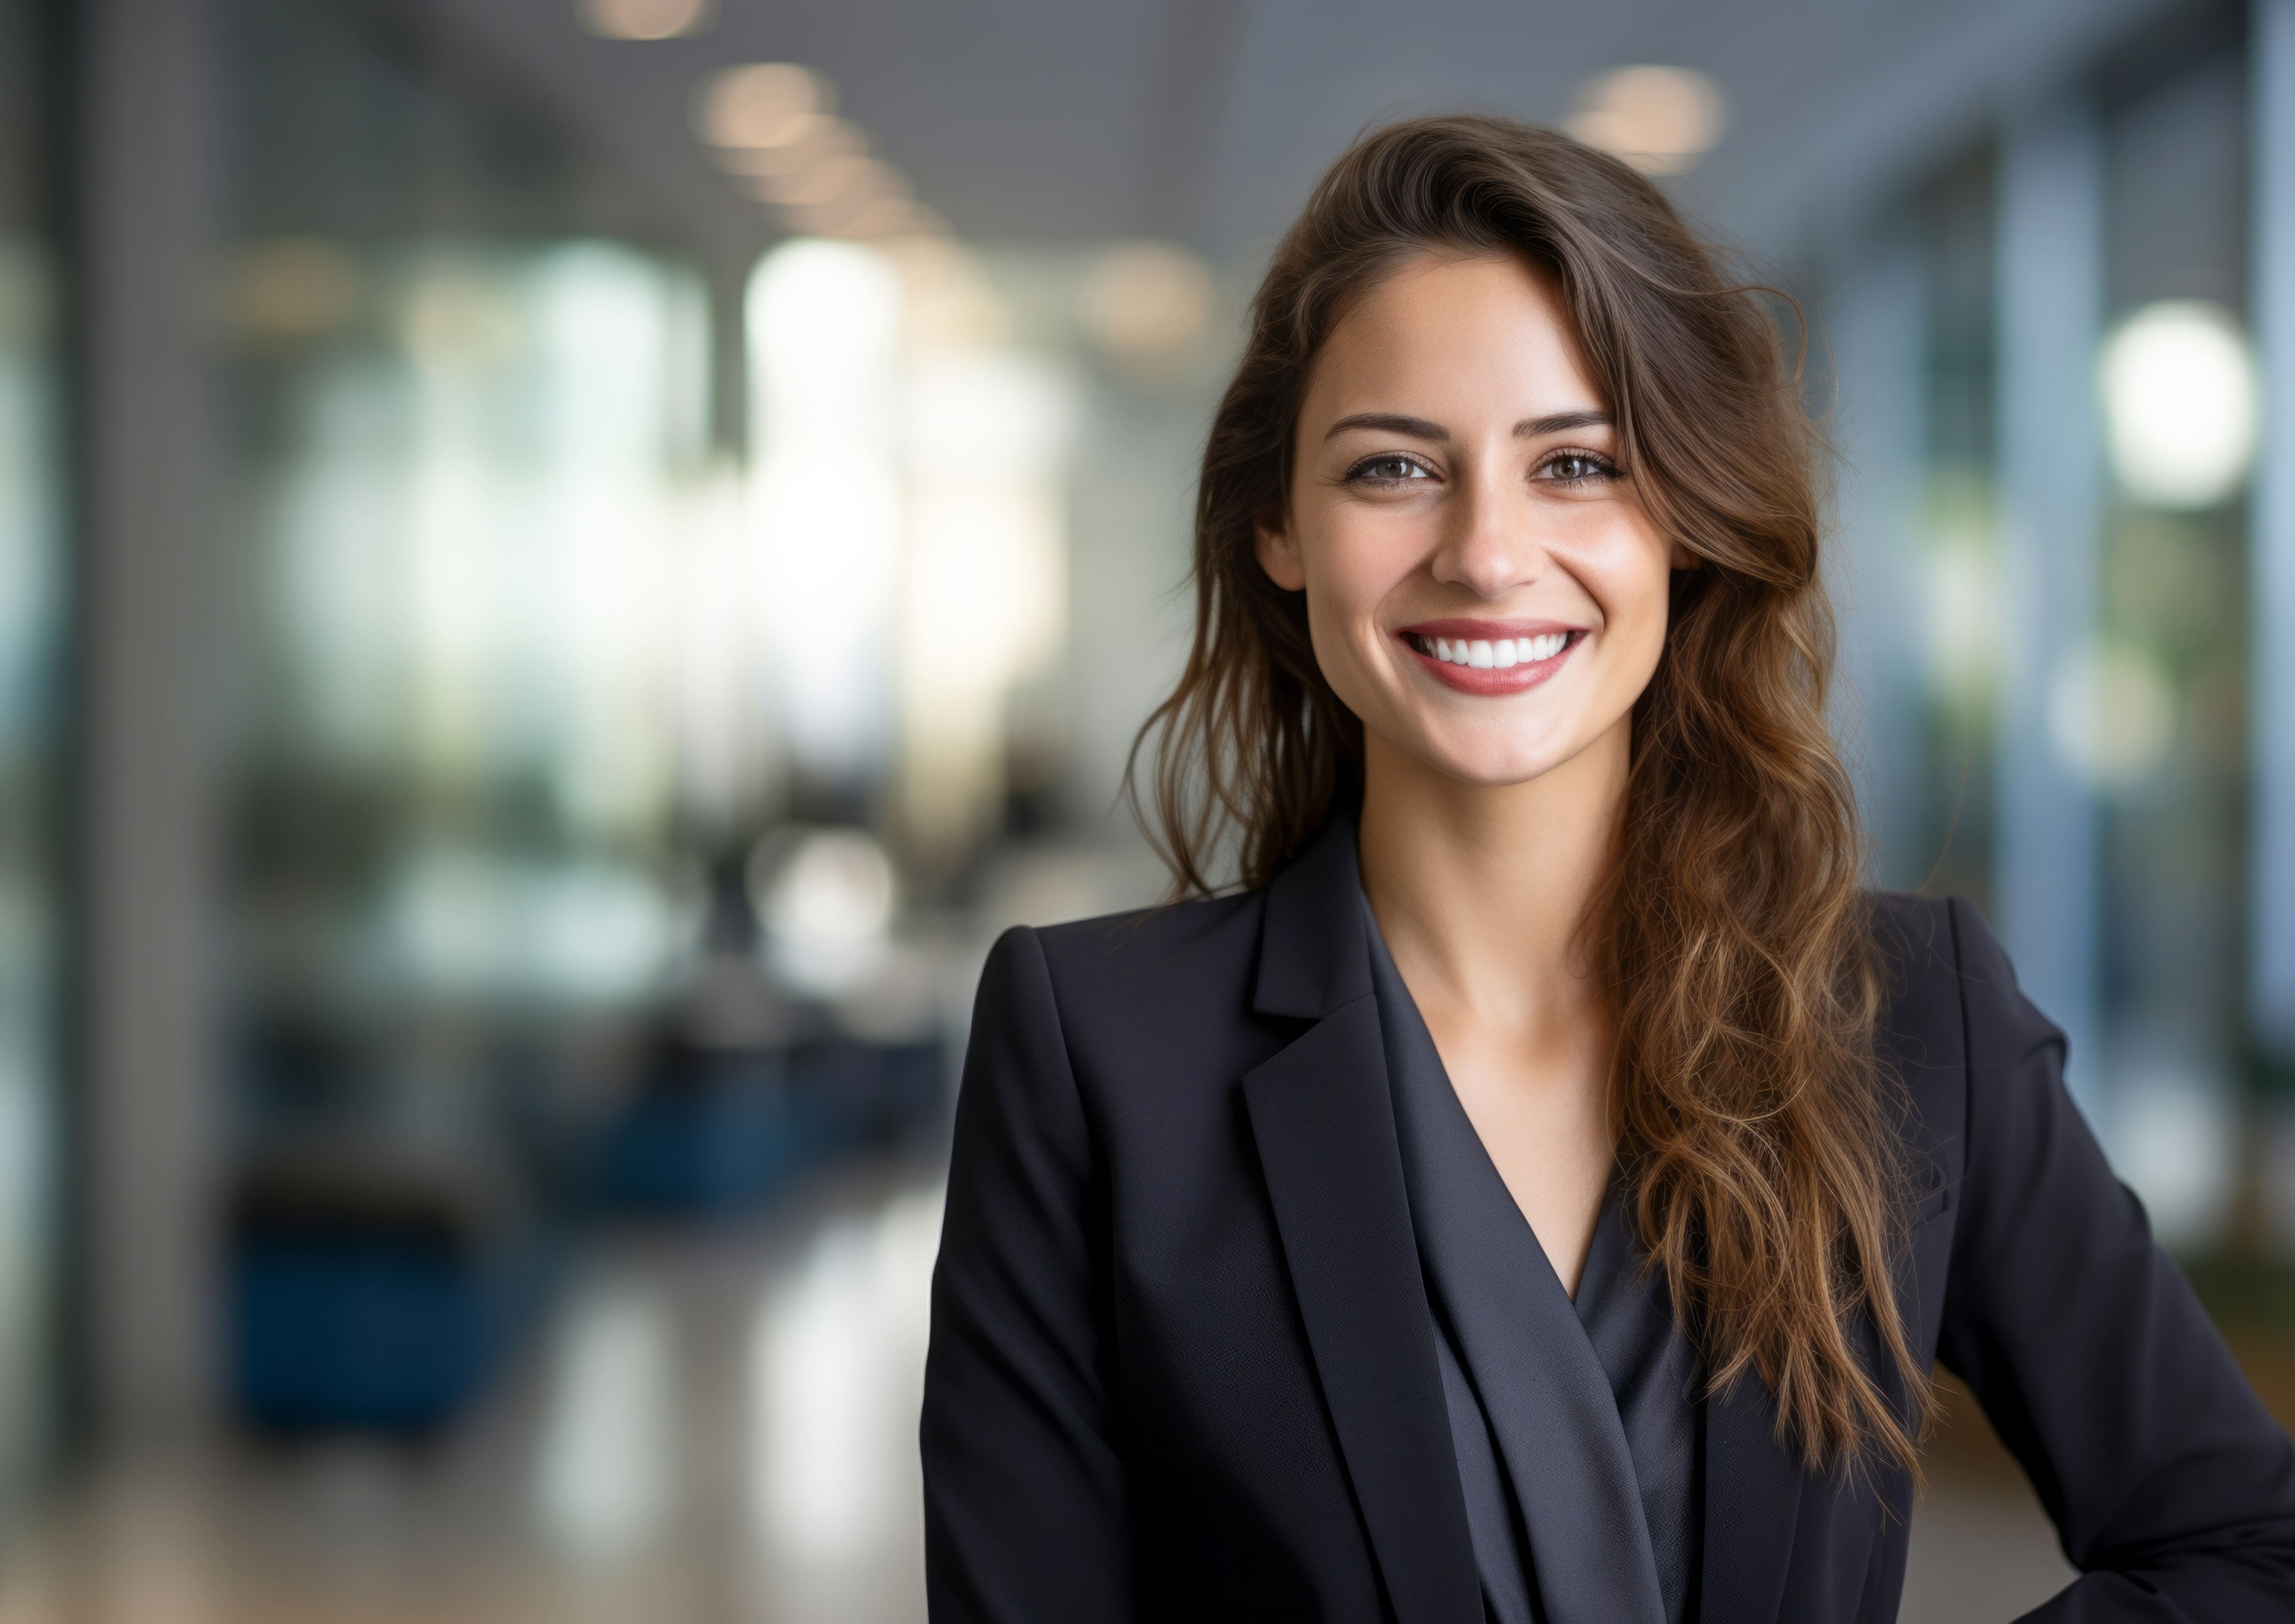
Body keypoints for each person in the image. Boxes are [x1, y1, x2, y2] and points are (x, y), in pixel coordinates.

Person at [918, 113, 2295, 1623]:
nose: (1491, 553)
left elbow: (2245, 1545)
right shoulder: (1097, 1049)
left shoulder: (1909, 1015)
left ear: (1687, 523)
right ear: (1280, 528)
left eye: (1577, 463)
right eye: (1394, 469)